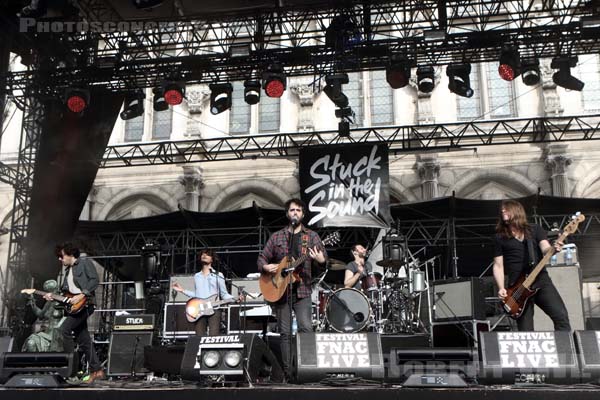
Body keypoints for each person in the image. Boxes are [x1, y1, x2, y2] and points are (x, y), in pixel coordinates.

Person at [257, 198, 327, 378]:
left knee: (305, 328)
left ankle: (307, 369)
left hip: (302, 289)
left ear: (303, 214)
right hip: (281, 292)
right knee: (285, 333)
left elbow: (323, 260)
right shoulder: (278, 236)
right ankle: (288, 372)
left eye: (298, 210)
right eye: (291, 210)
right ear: (287, 213)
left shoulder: (311, 237)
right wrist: (266, 267)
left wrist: (320, 260)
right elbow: (262, 258)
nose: (295, 213)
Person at [493, 199, 571, 331]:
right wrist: (501, 288)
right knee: (525, 331)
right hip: (518, 288)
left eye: (506, 209)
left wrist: (554, 248)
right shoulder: (500, 237)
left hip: (540, 280)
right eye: (502, 210)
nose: (503, 211)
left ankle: (564, 350)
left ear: (516, 211)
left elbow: (545, 249)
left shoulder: (534, 229)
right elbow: (498, 265)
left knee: (561, 317)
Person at [50, 242, 104, 383]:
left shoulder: (84, 263)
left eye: (61, 256)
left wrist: (82, 295)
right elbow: (67, 295)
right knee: (84, 339)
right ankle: (96, 370)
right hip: (75, 308)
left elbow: (95, 280)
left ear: (70, 254)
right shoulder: (67, 271)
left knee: (64, 330)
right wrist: (52, 297)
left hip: (86, 304)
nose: (60, 260)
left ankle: (71, 368)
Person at [172, 249, 236, 336]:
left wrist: (235, 299)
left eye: (207, 254)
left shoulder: (218, 275)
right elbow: (196, 295)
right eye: (202, 254)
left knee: (214, 336)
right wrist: (182, 290)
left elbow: (224, 294)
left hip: (214, 309)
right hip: (199, 310)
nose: (204, 256)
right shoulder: (197, 276)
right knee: (199, 336)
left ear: (212, 259)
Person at [23, 279, 65, 352]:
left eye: (51, 292)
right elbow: (41, 315)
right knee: (31, 343)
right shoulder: (49, 303)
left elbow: (68, 317)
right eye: (48, 292)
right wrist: (33, 304)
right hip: (48, 334)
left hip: (59, 336)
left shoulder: (63, 302)